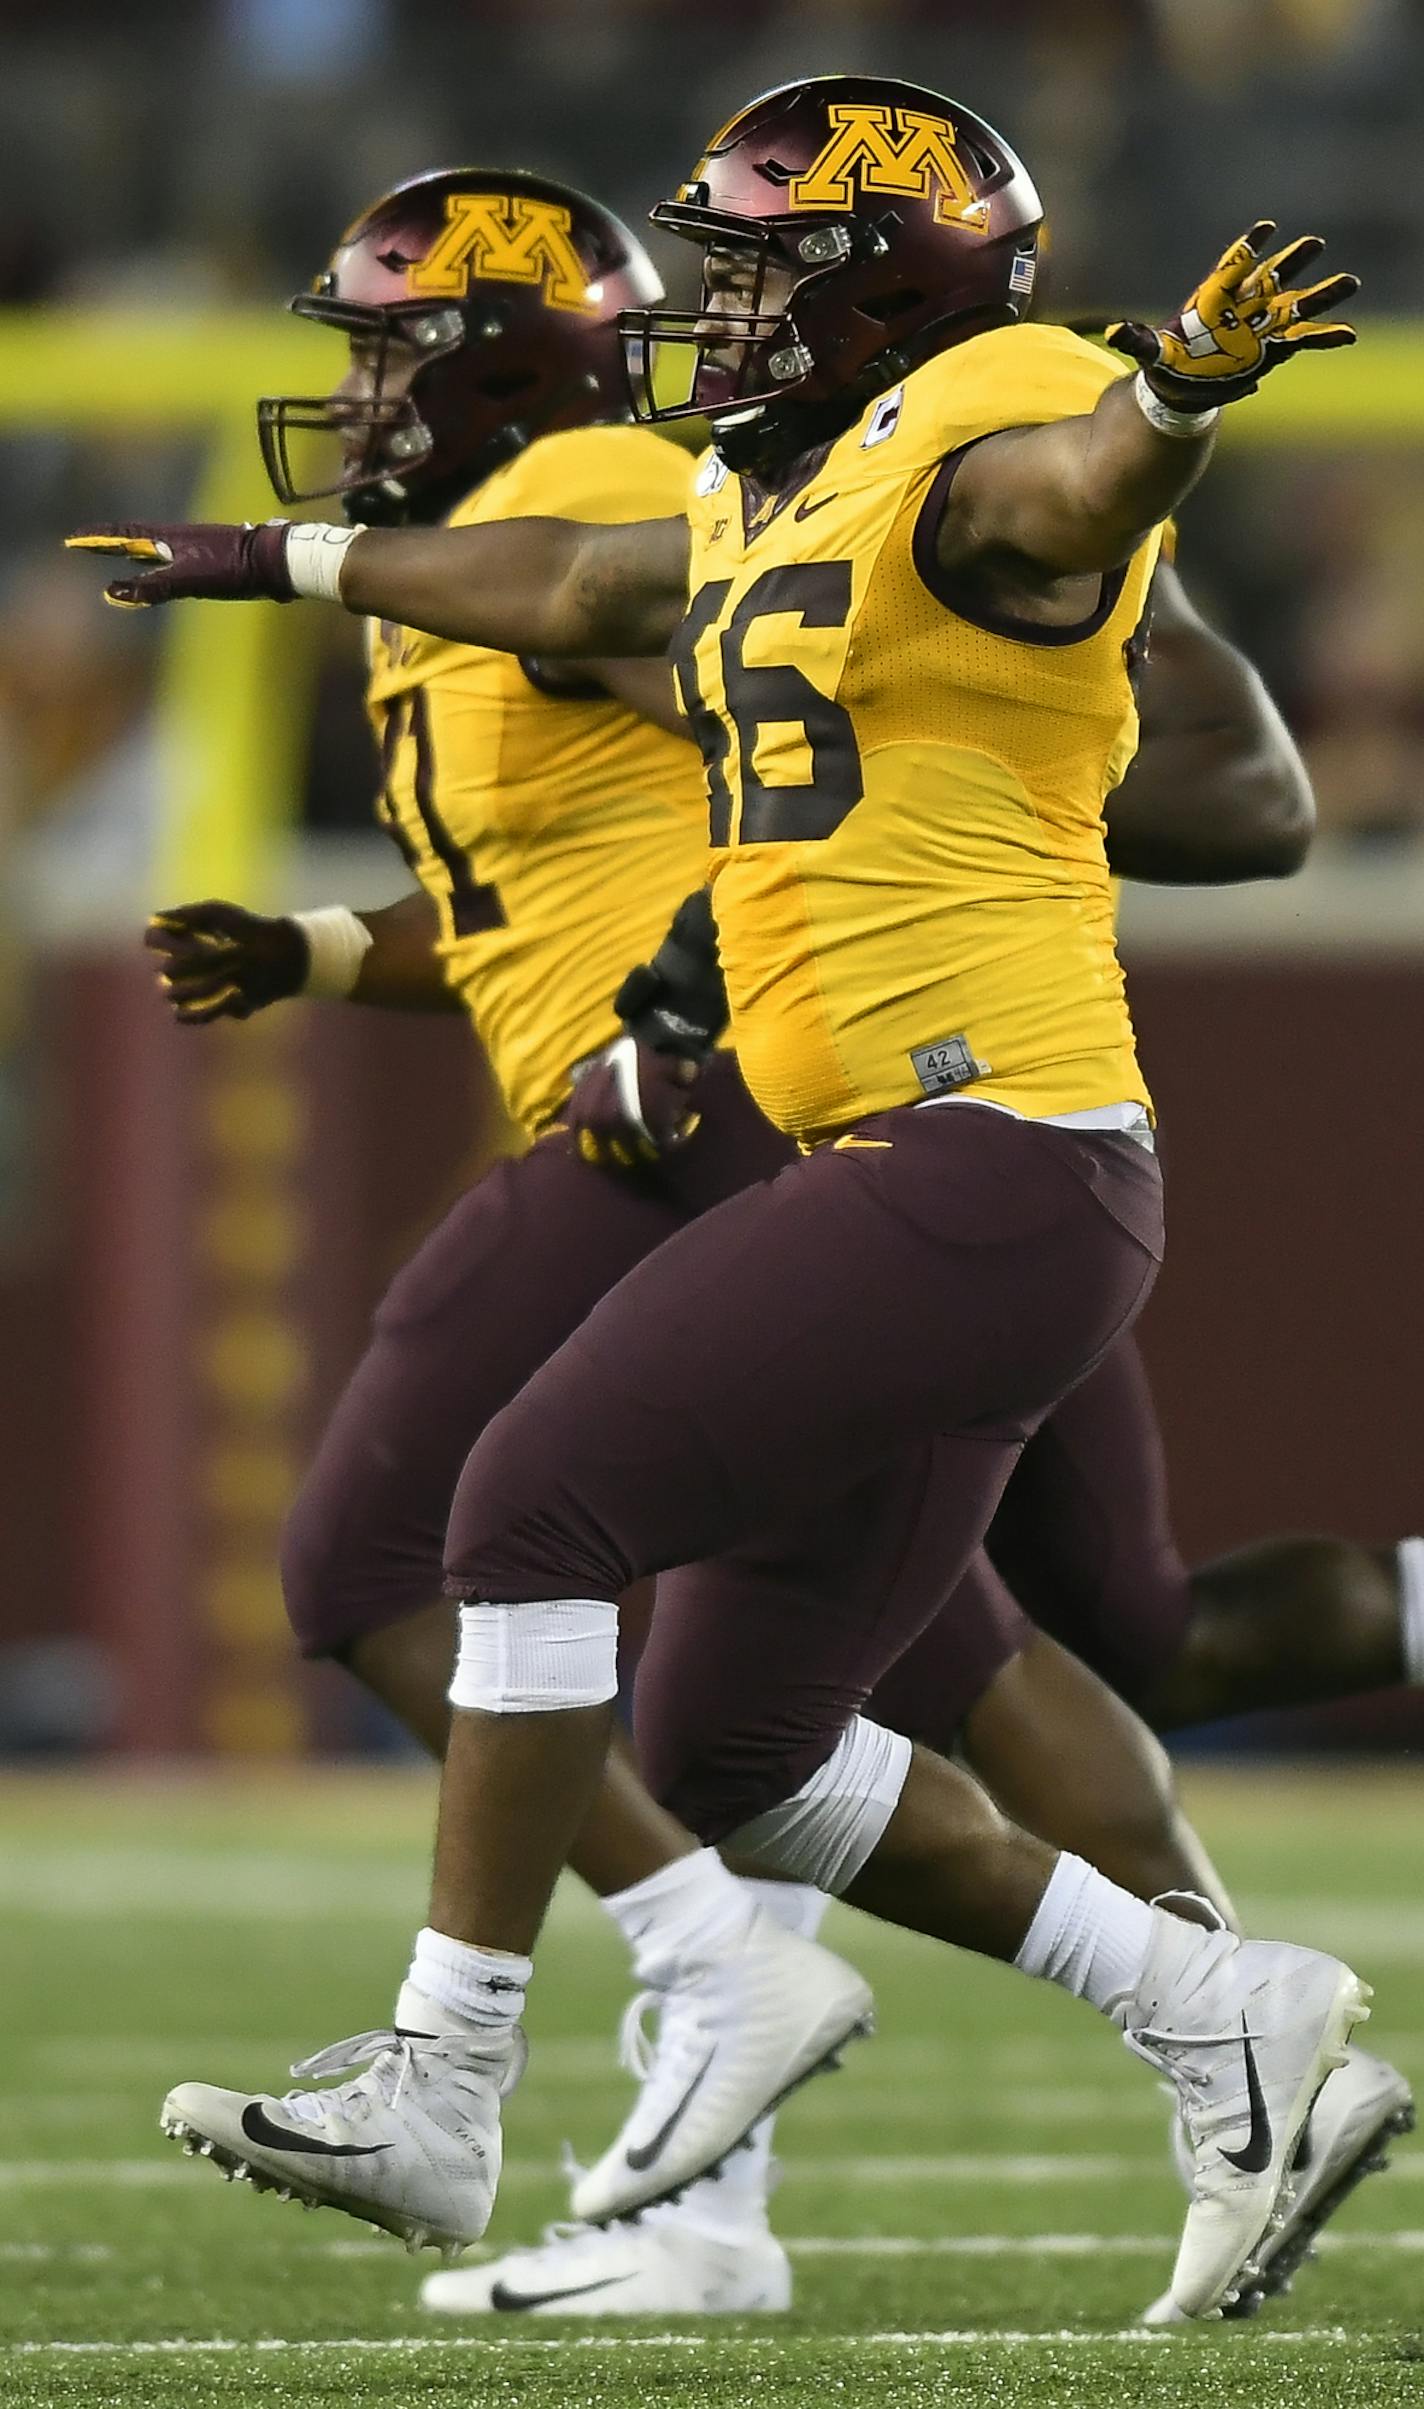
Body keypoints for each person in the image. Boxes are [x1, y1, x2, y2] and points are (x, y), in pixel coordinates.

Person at [72, 75, 1369, 2324]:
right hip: (908, 1160)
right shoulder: (789, 477)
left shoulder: (999, 403)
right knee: (743, 1747)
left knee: (516, 1511)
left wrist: (1170, 397)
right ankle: (1217, 2014)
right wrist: (270, 564)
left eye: (768, 259)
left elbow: (1075, 492)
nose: (724, 301)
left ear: (890, 278)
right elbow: (580, 585)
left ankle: (448, 2071)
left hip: (979, 1148)